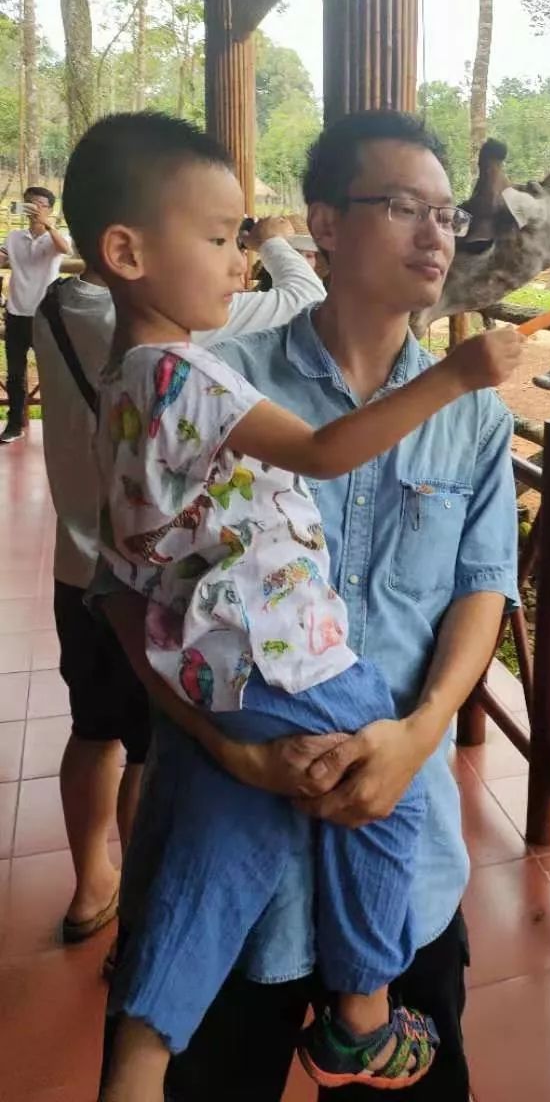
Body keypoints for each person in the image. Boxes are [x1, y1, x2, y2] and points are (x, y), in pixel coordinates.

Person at [65, 111, 524, 1101]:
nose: (437, 234)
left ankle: (361, 1016)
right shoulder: (214, 380)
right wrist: (229, 748)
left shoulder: (477, 421)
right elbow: (122, 594)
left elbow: (483, 590)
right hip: (237, 861)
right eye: (403, 206)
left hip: (402, 856)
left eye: (447, 214)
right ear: (324, 223)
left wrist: (417, 736)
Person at [33, 199, 326, 952]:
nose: (228, 260)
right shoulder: (165, 335)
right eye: (213, 237)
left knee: (92, 729)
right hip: (152, 586)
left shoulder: (59, 305)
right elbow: (305, 298)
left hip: (78, 568)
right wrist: (277, 243)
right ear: (133, 252)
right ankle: (146, 914)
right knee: (150, 749)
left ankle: (89, 885)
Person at [1, 185, 72, 443]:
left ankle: (59, 426)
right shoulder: (14, 237)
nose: (34, 208)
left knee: (52, 375)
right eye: (30, 203)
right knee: (15, 375)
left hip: (45, 317)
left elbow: (65, 249)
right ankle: (14, 424)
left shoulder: (56, 237)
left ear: (49, 209)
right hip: (16, 313)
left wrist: (48, 224)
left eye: (40, 204)